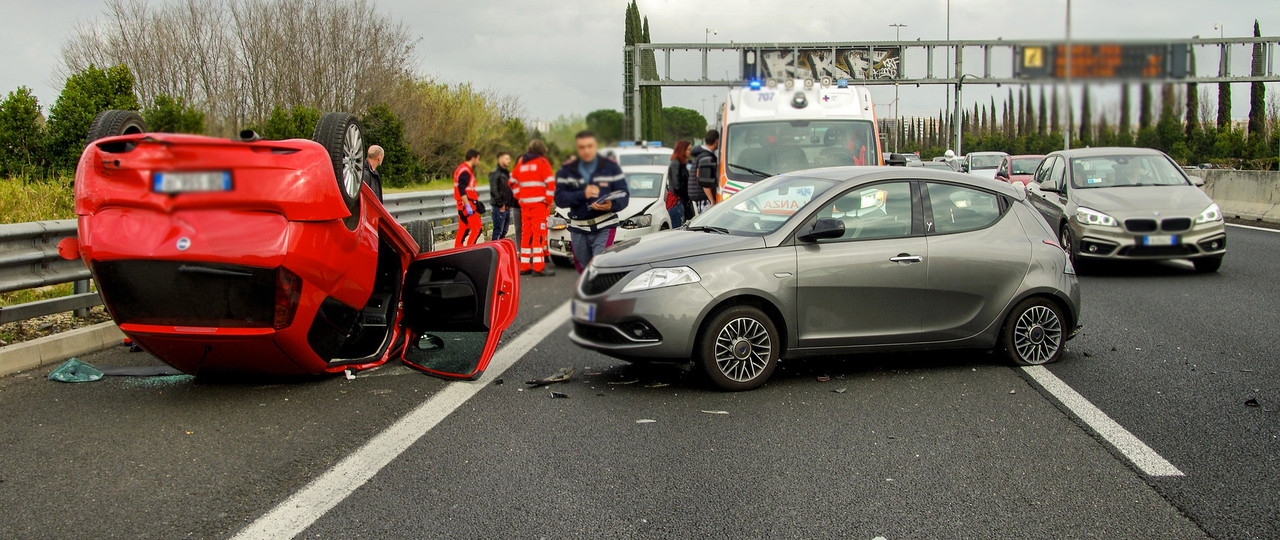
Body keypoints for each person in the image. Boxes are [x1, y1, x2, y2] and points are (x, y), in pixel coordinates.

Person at [555, 131, 628, 272]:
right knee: (584, 270)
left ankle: (602, 293)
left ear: (596, 146)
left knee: (600, 265)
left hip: (605, 225)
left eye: (589, 146)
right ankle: (588, 293)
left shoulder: (611, 167)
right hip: (578, 228)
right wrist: (583, 194)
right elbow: (559, 199)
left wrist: (611, 205)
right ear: (577, 149)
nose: (586, 150)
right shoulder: (566, 171)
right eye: (582, 147)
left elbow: (624, 195)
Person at [511, 140, 557, 276]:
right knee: (539, 235)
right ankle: (538, 267)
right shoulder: (542, 162)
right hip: (538, 205)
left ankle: (524, 266)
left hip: (525, 205)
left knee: (526, 234)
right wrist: (548, 200)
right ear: (542, 150)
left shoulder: (521, 163)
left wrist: (519, 197)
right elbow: (550, 183)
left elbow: (512, 181)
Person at [452, 149, 484, 248]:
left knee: (463, 228)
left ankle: (458, 249)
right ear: (473, 158)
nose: (478, 162)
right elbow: (461, 189)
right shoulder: (465, 171)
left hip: (462, 204)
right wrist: (467, 205)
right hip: (466, 204)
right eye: (477, 159)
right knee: (477, 227)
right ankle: (470, 249)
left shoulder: (462, 169)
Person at [688, 129, 719, 215]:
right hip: (704, 198)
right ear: (716, 141)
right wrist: (712, 200)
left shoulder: (700, 155)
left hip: (698, 196)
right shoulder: (706, 157)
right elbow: (705, 181)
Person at [488, 151, 515, 241]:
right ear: (500, 160)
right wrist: (501, 205)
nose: (509, 161)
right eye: (507, 159)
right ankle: (494, 252)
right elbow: (494, 191)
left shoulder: (506, 173)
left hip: (507, 207)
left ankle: (500, 251)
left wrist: (511, 203)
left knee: (504, 231)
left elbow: (509, 189)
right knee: (498, 231)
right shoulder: (494, 174)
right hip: (499, 208)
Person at [666, 140, 691, 228]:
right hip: (676, 201)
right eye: (688, 149)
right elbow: (677, 186)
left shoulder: (679, 163)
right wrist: (687, 195)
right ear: (682, 150)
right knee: (678, 228)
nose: (689, 152)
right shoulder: (676, 164)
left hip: (678, 200)